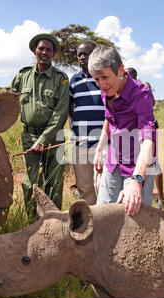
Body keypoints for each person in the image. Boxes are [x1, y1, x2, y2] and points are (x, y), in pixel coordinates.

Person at [90, 46, 157, 216]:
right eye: (96, 79)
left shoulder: (141, 94)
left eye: (105, 77)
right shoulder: (106, 91)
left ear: (120, 69)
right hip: (114, 161)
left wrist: (137, 181)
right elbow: (109, 119)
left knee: (133, 218)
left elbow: (148, 139)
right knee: (102, 214)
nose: (102, 85)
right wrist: (100, 149)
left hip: (138, 164)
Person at [8, 33, 70, 215]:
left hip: (55, 137)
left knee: (55, 184)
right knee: (31, 183)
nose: (44, 52)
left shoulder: (61, 78)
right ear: (34, 51)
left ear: (53, 54)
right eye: (41, 48)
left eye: (48, 50)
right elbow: (9, 101)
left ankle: (55, 227)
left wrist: (43, 139)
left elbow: (61, 111)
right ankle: (33, 225)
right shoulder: (22, 76)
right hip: (28, 136)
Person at [69, 41, 105, 205]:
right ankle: (91, 227)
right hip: (80, 142)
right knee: (85, 188)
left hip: (103, 143)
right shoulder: (74, 80)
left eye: (87, 53)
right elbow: (70, 105)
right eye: (80, 54)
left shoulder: (104, 78)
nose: (83, 57)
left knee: (103, 187)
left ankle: (107, 224)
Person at [125, 67, 164, 209]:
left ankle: (160, 197)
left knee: (153, 163)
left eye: (130, 75)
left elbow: (151, 103)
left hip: (148, 128)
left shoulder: (143, 87)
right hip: (131, 133)